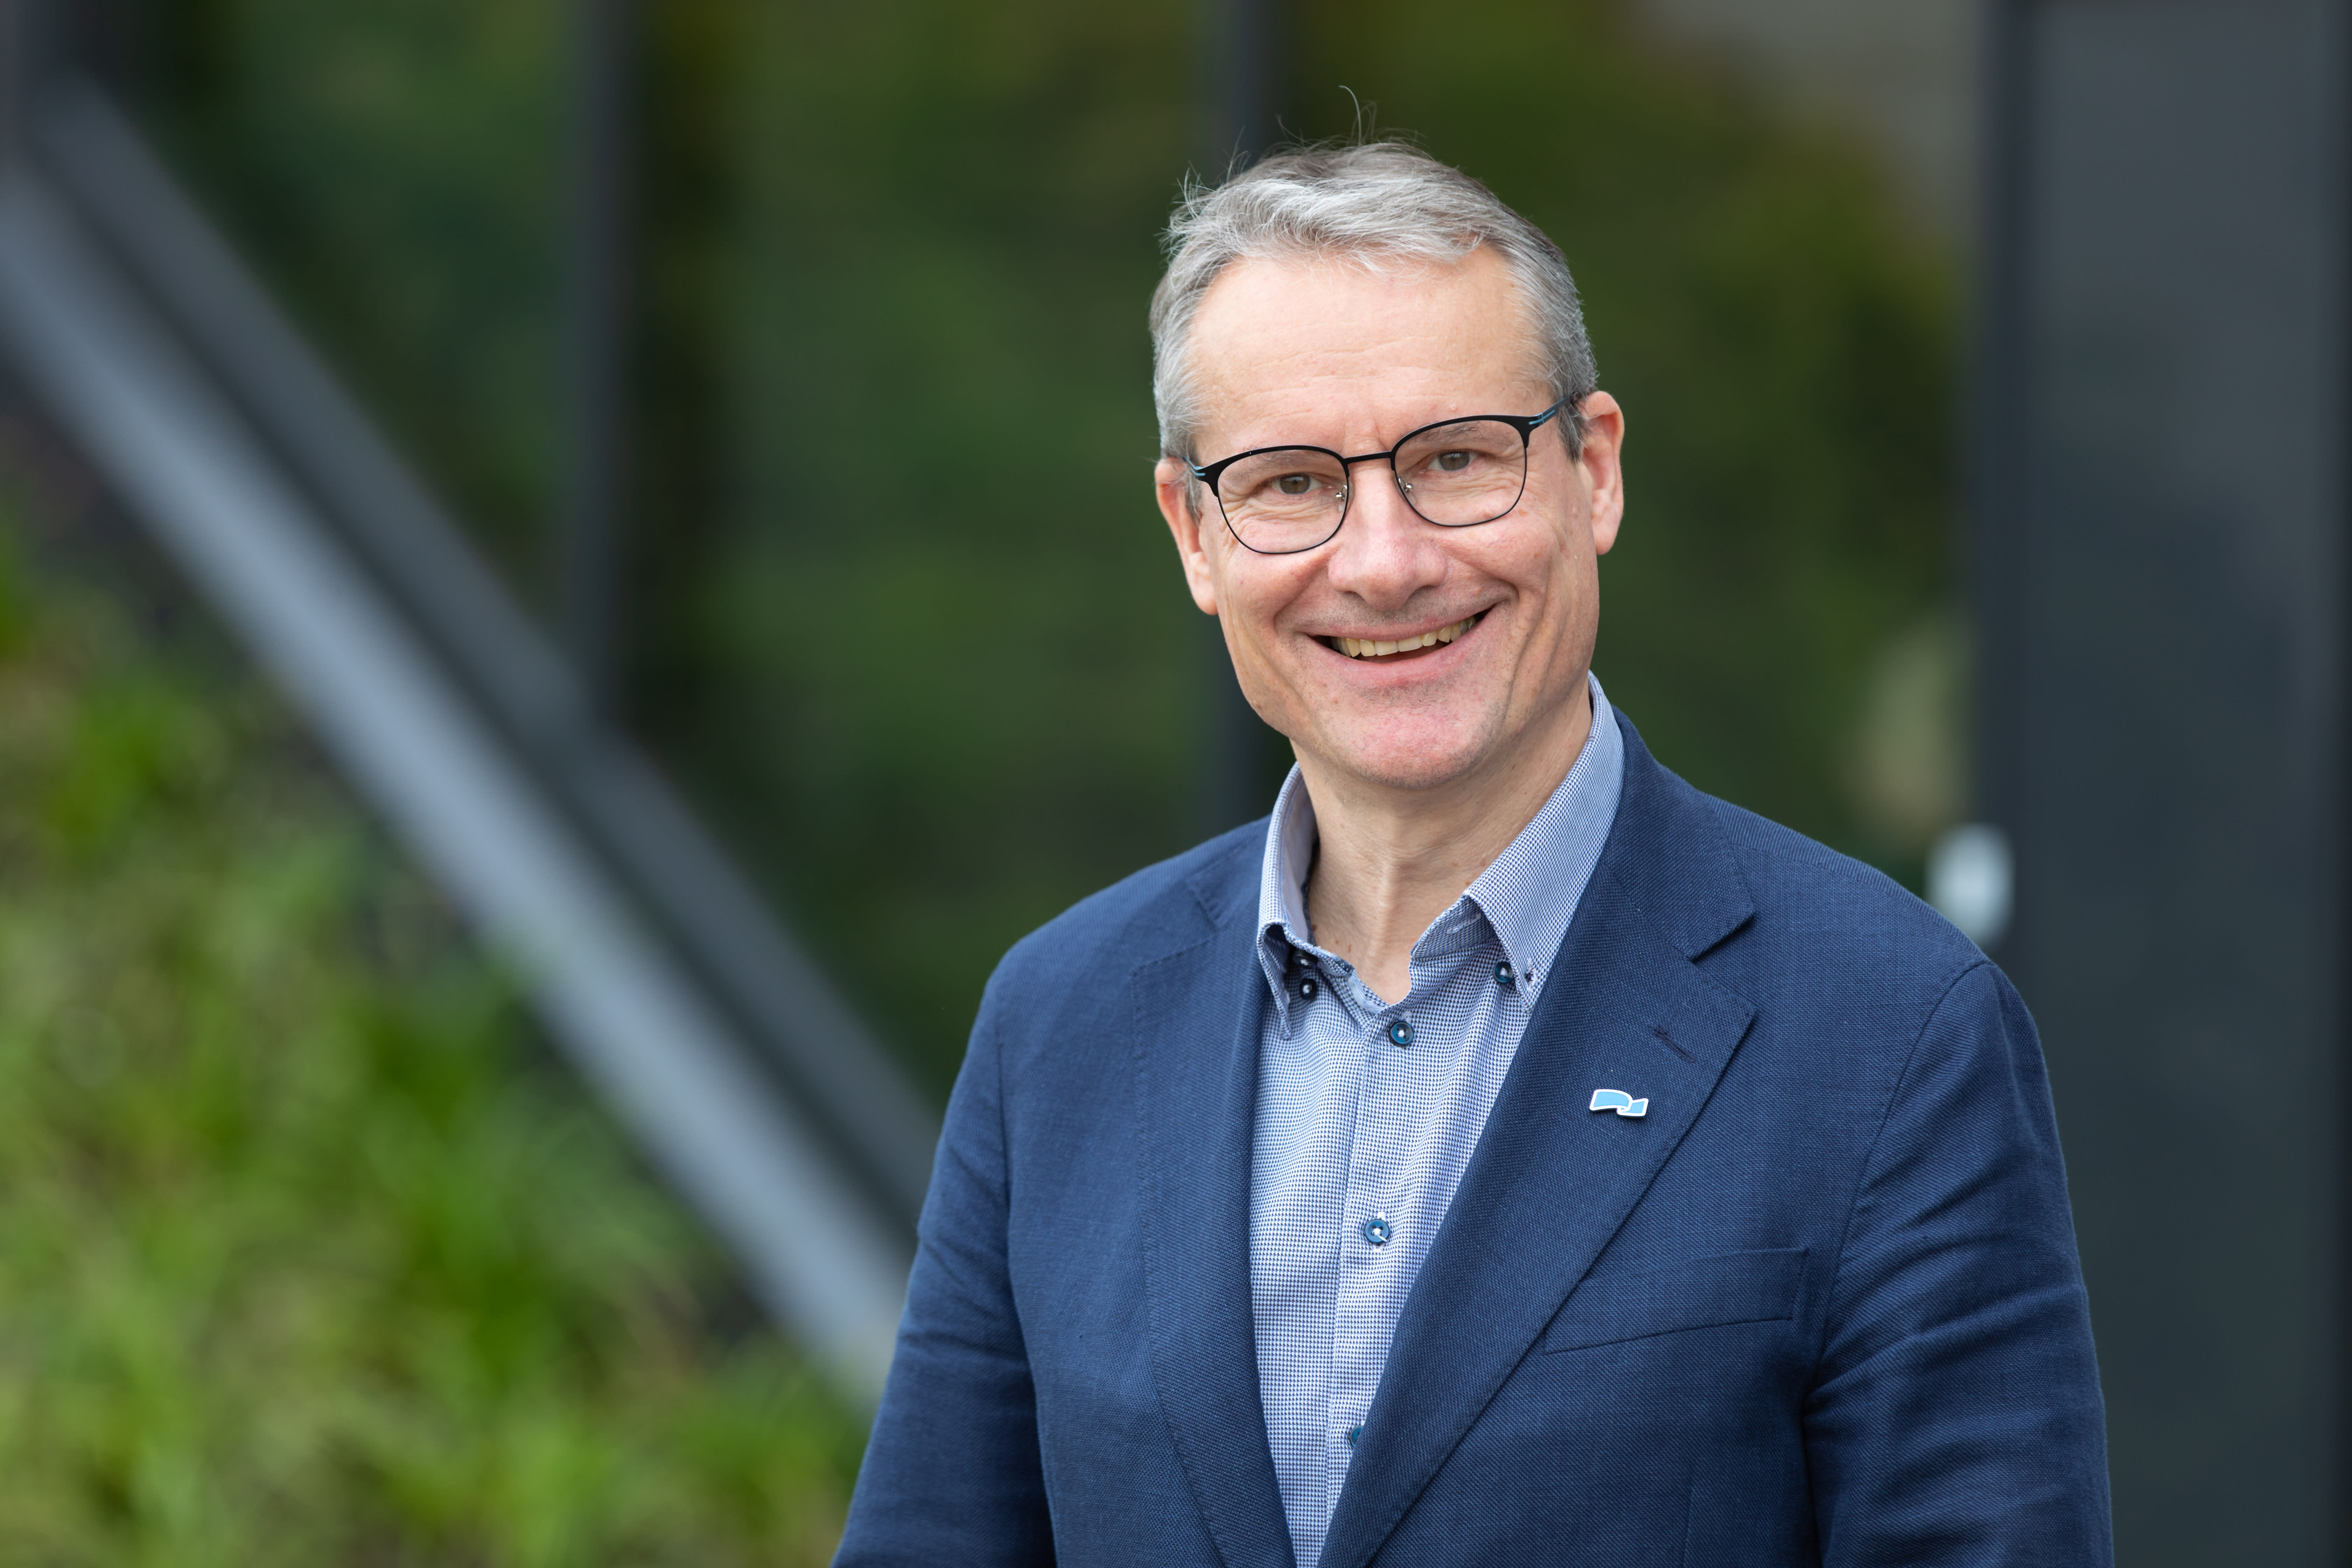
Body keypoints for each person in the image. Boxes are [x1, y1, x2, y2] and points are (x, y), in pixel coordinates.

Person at [834, 142, 2109, 1568]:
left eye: (1454, 460)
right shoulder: (1060, 1020)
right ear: (1195, 534)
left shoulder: (1892, 1028)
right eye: (1291, 483)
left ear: (1595, 472)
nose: (1384, 562)